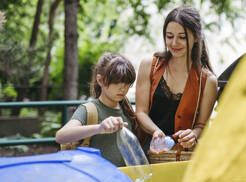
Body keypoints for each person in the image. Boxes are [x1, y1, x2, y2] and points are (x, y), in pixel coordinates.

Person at [136, 6, 218, 159]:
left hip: (182, 155)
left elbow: (201, 126)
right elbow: (140, 112)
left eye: (182, 37)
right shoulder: (149, 65)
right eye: (169, 36)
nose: (174, 43)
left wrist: (193, 135)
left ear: (195, 38)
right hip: (146, 150)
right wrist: (156, 132)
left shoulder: (208, 81)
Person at [56, 52, 137, 167]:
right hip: (97, 179)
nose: (122, 88)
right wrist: (99, 128)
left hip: (123, 179)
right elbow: (61, 136)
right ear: (100, 80)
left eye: (127, 82)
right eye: (116, 81)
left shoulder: (127, 110)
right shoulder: (90, 109)